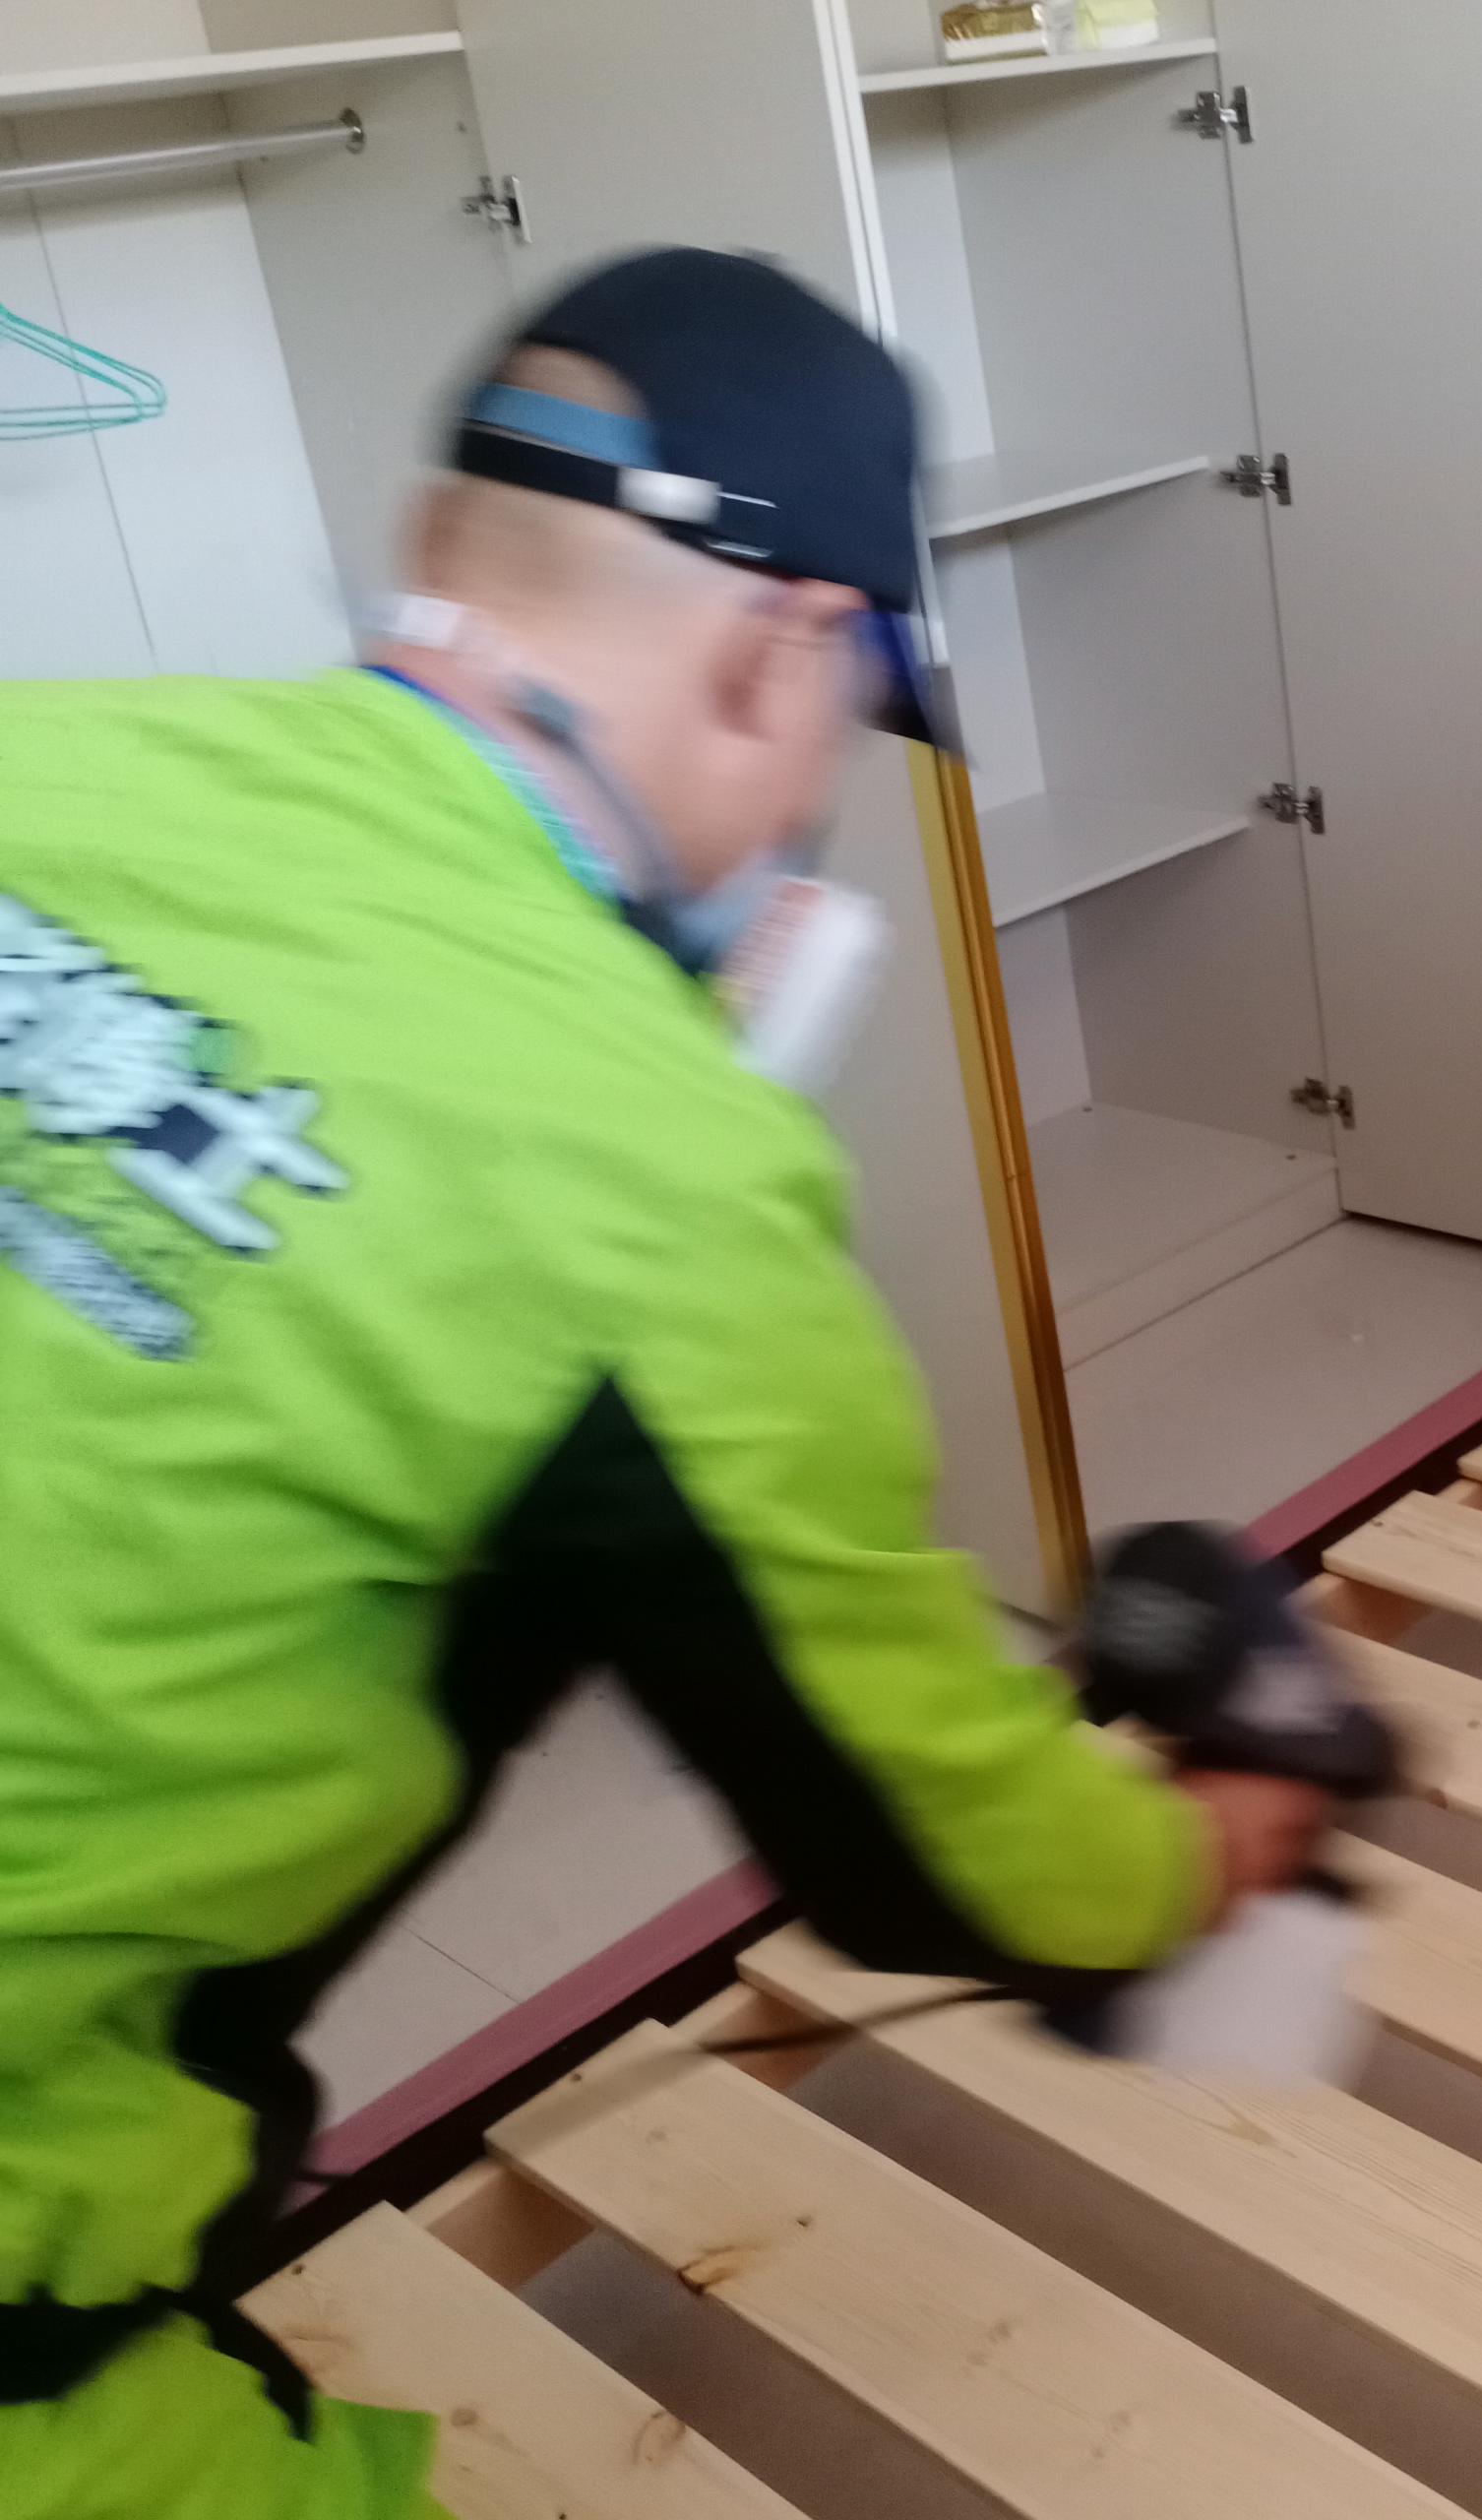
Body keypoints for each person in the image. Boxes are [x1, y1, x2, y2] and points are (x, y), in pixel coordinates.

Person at [0, 248, 1360, 2518]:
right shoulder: (657, 1195)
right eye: (852, 720)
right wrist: (1232, 1823)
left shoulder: (46, 753)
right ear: (781, 648)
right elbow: (936, 1857)